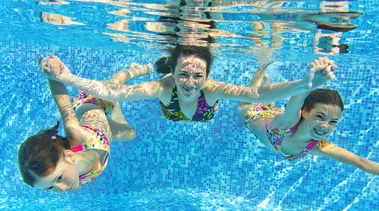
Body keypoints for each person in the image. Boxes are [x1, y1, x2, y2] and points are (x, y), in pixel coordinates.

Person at [38, 45, 335, 123]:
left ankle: (263, 66)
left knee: (253, 92)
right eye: (184, 74)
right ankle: (145, 68)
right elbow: (117, 93)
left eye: (198, 75)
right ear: (173, 71)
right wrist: (67, 76)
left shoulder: (211, 88)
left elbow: (256, 93)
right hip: (173, 112)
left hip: (205, 113)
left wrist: (306, 82)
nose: (191, 83)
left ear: (207, 74)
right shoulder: (165, 86)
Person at [18, 60, 153, 193]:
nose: (62, 189)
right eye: (50, 188)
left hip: (93, 103)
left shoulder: (75, 135)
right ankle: (116, 107)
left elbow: (64, 105)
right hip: (103, 132)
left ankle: (136, 69)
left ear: (70, 156)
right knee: (130, 133)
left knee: (116, 83)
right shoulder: (72, 175)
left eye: (59, 178)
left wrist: (50, 68)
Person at [237, 58, 379, 175]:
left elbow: (360, 162)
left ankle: (268, 91)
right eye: (320, 116)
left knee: (270, 103)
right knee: (250, 97)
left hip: (273, 116)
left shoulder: (318, 146)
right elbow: (296, 99)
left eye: (333, 122)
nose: (325, 126)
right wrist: (312, 81)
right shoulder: (290, 122)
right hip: (253, 113)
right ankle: (264, 64)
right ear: (304, 111)